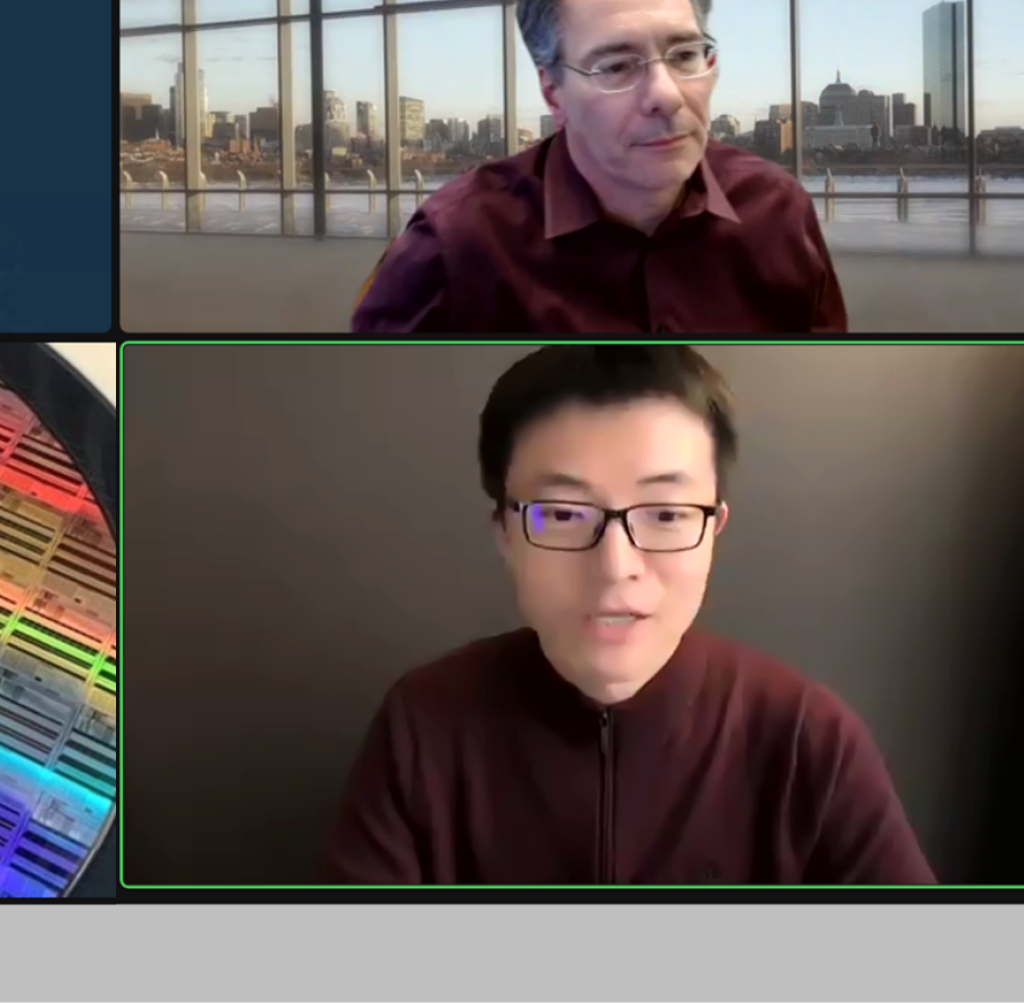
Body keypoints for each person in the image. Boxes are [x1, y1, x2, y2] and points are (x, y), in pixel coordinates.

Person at [324, 345, 931, 885]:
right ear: (505, 534)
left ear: (714, 530)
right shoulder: (424, 724)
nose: (616, 567)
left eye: (665, 514)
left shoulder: (805, 738)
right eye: (562, 514)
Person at [351, 0, 847, 333]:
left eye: (685, 55)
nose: (666, 95)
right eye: (616, 67)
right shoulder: (456, 243)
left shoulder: (777, 212)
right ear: (552, 92)